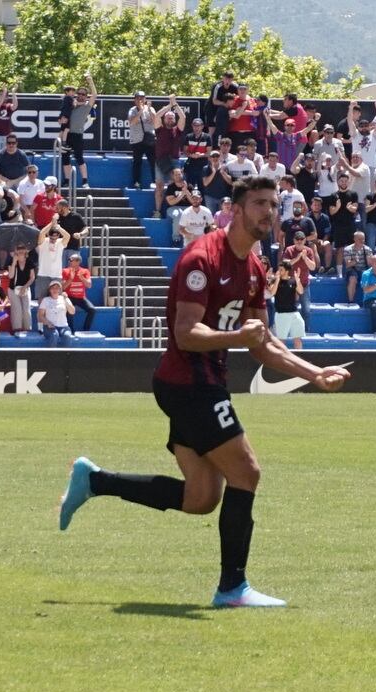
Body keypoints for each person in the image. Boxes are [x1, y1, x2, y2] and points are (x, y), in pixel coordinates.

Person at [59, 176, 350, 607]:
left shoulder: (254, 267)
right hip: (188, 381)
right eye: (258, 203)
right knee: (247, 472)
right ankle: (232, 588)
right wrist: (237, 338)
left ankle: (95, 481)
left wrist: (314, 373)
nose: (268, 211)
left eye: (273, 204)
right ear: (234, 209)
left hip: (202, 381)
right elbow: (186, 333)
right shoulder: (202, 258)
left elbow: (263, 342)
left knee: (200, 499)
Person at [153, 95, 186, 218]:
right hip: (161, 161)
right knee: (159, 187)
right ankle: (157, 211)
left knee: (175, 184)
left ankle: (173, 209)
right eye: (168, 118)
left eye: (172, 118)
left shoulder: (178, 130)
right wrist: (168, 106)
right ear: (164, 119)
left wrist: (175, 104)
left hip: (174, 161)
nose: (170, 120)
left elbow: (183, 117)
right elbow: (156, 116)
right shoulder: (159, 129)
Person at [62, 75, 97, 189]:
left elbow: (95, 95)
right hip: (66, 135)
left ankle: (85, 181)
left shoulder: (87, 106)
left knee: (79, 158)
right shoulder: (71, 104)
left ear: (86, 96)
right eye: (79, 93)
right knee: (65, 158)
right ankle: (67, 181)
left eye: (83, 94)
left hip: (77, 135)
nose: (81, 95)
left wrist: (90, 81)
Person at [269, 259, 305, 348]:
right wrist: (277, 280)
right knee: (281, 341)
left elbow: (301, 291)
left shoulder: (293, 281)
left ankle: (299, 358)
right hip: (281, 314)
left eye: (281, 270)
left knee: (298, 339)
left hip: (294, 313)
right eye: (279, 269)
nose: (279, 271)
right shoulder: (274, 280)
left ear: (287, 271)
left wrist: (297, 280)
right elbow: (272, 293)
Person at [35, 214, 71, 301]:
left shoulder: (60, 243)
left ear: (58, 236)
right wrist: (52, 223)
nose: (53, 239)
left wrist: (58, 227)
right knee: (42, 299)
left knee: (56, 299)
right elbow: (41, 233)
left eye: (55, 237)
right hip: (43, 274)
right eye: (51, 237)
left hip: (56, 275)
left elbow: (68, 236)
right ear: (48, 235)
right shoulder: (44, 241)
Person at [127, 91, 155, 189]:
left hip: (149, 140)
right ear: (134, 100)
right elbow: (132, 122)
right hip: (137, 140)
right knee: (137, 162)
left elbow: (155, 121)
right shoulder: (132, 110)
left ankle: (155, 181)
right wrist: (141, 110)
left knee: (153, 161)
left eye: (142, 98)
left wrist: (149, 110)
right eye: (138, 98)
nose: (140, 100)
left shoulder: (150, 109)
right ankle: (136, 182)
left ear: (145, 99)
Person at [61, 253, 94, 334]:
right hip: (69, 297)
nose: (69, 261)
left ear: (78, 261)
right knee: (69, 309)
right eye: (69, 260)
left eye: (71, 260)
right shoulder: (65, 271)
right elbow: (63, 288)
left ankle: (86, 330)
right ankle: (71, 331)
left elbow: (89, 285)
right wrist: (70, 279)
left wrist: (82, 278)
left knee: (92, 310)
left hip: (81, 297)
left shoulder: (85, 271)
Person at [7, 244, 36, 333]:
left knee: (26, 309)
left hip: (25, 288)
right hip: (13, 289)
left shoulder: (29, 262)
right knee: (17, 309)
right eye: (19, 249)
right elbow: (10, 276)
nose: (21, 251)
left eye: (22, 248)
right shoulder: (11, 261)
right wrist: (14, 262)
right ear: (16, 251)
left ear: (26, 250)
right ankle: (17, 329)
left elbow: (32, 277)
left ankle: (27, 329)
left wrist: (25, 287)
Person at [38, 279, 74, 346]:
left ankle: (66, 355)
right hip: (49, 326)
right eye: (53, 288)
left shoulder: (64, 298)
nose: (55, 290)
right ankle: (52, 355)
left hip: (64, 326)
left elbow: (72, 312)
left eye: (57, 288)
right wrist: (48, 323)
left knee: (67, 336)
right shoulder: (45, 300)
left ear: (60, 290)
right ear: (49, 290)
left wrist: (66, 299)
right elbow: (40, 315)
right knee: (54, 335)